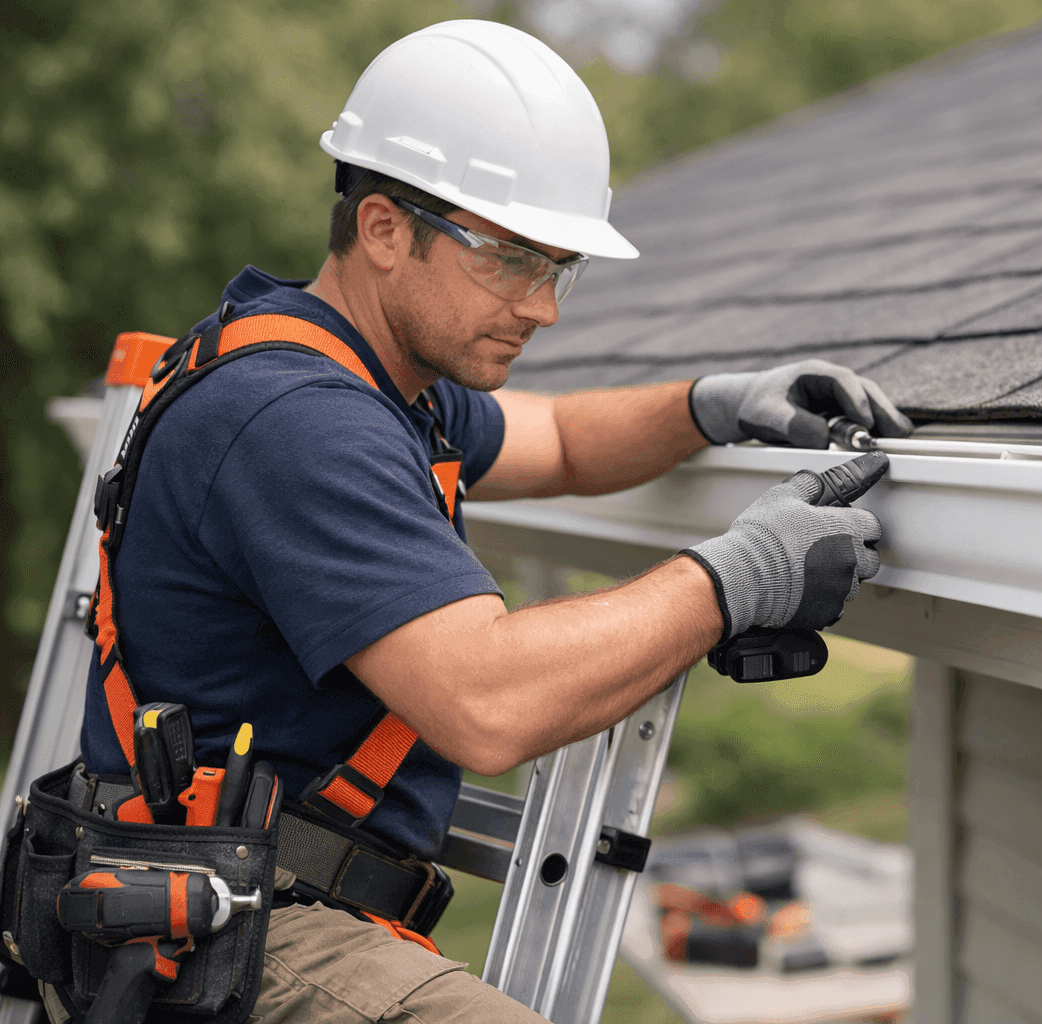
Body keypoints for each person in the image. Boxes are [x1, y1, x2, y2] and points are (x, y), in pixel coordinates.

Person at [60, 19, 911, 1024]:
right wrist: (740, 577)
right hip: (225, 928)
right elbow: (486, 700)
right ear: (383, 228)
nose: (541, 307)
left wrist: (712, 404)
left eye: (557, 268)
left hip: (243, 898)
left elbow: (557, 438)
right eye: (509, 259)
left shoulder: (371, 379)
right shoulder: (298, 422)